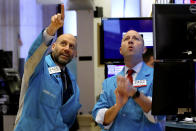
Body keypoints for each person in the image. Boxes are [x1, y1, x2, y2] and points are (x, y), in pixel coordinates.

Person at [14, 4, 81, 131]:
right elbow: (34, 54)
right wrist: (52, 29)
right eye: (63, 44)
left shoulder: (73, 85)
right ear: (53, 46)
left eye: (71, 47)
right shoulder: (37, 68)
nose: (67, 48)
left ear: (75, 54)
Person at [92, 30, 165, 131]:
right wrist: (118, 106)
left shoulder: (157, 76)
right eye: (126, 39)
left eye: (136, 39)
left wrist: (134, 93)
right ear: (121, 50)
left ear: (144, 49)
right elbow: (101, 119)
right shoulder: (108, 82)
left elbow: (159, 115)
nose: (130, 41)